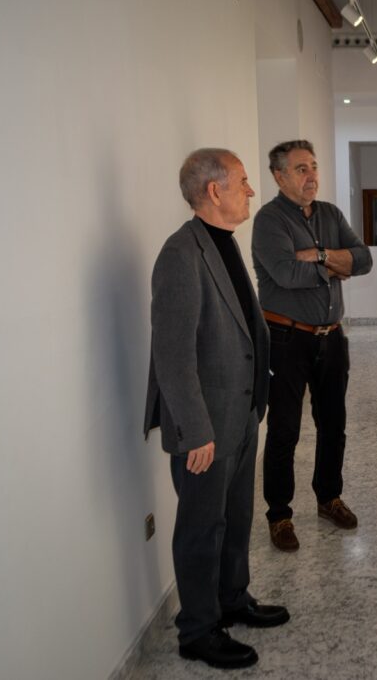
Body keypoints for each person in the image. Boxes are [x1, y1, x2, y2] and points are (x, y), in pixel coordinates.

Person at [143, 148, 288, 669]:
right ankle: (198, 629)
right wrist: (195, 431)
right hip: (204, 426)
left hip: (241, 413)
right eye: (245, 182)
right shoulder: (181, 256)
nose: (251, 191)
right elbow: (173, 356)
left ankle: (233, 600)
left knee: (235, 516)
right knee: (202, 527)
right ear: (214, 191)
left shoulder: (221, 244)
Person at [252, 140, 373, 551]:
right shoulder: (269, 221)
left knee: (333, 423)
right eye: (301, 169)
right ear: (279, 176)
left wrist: (318, 254)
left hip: (331, 337)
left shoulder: (330, 214)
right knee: (285, 429)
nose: (311, 176)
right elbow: (286, 273)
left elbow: (364, 259)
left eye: (314, 166)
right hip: (286, 338)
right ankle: (280, 515)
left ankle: (328, 497)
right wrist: (336, 265)